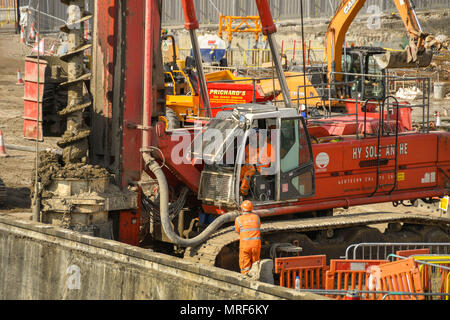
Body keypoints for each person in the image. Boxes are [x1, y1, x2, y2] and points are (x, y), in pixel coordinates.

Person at [240, 128, 276, 196]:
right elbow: (243, 160)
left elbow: (273, 165)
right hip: (248, 167)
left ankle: (243, 194)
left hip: (261, 170)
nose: (256, 138)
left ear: (262, 137)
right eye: (254, 136)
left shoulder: (269, 148)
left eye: (258, 136)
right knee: (237, 174)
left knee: (247, 175)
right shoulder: (248, 147)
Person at [234, 200, 261, 275]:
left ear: (242, 209)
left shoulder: (238, 219)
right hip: (256, 245)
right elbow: (258, 226)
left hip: (245, 246)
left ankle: (245, 278)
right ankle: (256, 278)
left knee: (245, 266)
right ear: (251, 209)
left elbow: (237, 231)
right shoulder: (256, 217)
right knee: (256, 264)